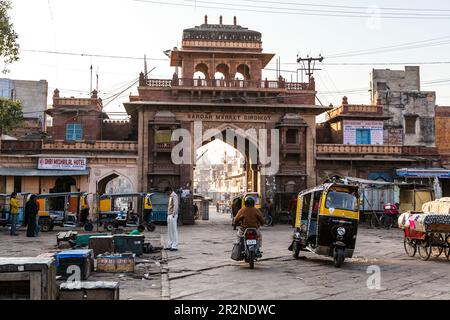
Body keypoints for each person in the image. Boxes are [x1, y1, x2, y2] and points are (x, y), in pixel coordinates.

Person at [165, 186, 179, 251]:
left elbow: (176, 205)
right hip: (169, 214)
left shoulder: (174, 196)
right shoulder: (170, 196)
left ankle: (175, 246)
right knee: (170, 230)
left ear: (170, 190)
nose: (166, 193)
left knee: (173, 230)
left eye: (167, 192)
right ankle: (170, 244)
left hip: (173, 215)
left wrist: (173, 214)